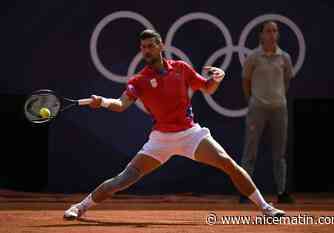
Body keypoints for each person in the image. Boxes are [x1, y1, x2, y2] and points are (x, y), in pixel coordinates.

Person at [63, 29, 285, 220]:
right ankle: (79, 207)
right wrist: (101, 101)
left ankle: (266, 207)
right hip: (160, 139)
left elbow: (207, 88)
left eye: (151, 46)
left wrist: (217, 78)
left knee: (228, 164)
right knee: (123, 179)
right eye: (143, 47)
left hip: (191, 134)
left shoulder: (181, 68)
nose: (147, 50)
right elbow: (120, 104)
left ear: (161, 46)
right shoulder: (139, 80)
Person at [241, 21, 294, 203]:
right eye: (268, 31)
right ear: (261, 35)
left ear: (277, 35)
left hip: (279, 108)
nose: (272, 34)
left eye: (275, 31)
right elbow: (246, 81)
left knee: (279, 153)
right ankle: (245, 192)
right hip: (257, 109)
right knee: (250, 152)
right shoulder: (253, 57)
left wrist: (278, 98)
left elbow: (287, 81)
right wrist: (254, 101)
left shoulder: (284, 57)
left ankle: (282, 192)